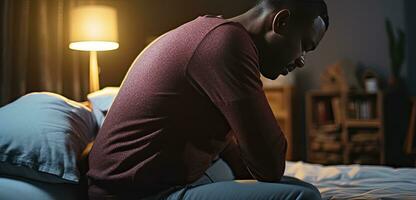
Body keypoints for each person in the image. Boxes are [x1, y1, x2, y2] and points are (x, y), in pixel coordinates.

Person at [87, 0, 329, 199]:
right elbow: (271, 165)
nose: (301, 60)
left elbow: (238, 154)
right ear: (282, 22)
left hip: (147, 183)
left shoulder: (212, 33)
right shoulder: (227, 44)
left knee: (303, 189)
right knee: (302, 197)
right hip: (134, 193)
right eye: (304, 46)